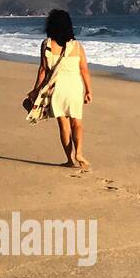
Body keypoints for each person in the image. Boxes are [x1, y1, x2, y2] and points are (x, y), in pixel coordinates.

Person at [27, 9, 93, 168]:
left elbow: (43, 70)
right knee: (77, 123)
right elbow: (84, 70)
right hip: (74, 87)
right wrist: (88, 90)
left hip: (57, 88)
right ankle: (79, 153)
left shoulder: (47, 45)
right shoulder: (77, 46)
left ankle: (70, 160)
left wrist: (36, 89)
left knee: (63, 125)